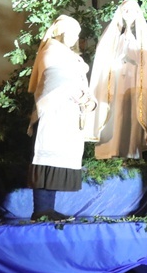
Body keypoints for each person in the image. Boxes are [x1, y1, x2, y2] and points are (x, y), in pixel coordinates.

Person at [27, 15, 97, 221]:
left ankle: (48, 209)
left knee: (55, 162)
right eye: (71, 33)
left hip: (67, 114)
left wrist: (88, 99)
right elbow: (55, 78)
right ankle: (41, 209)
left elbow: (79, 82)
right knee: (45, 162)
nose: (75, 37)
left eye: (77, 34)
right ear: (60, 32)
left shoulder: (70, 55)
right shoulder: (50, 50)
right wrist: (78, 93)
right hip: (51, 114)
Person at [85, 0, 147, 160]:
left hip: (134, 83)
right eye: (125, 10)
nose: (128, 14)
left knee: (131, 114)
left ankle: (131, 151)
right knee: (115, 112)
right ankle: (110, 150)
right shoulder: (113, 36)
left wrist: (132, 54)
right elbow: (104, 58)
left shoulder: (143, 37)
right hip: (116, 82)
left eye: (132, 11)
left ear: (138, 13)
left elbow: (146, 61)